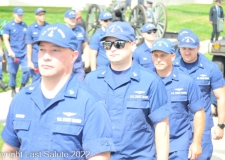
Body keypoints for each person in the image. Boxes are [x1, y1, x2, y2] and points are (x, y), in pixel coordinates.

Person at [0, 23, 115, 160]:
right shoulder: (22, 98)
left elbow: (99, 157)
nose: (46, 56)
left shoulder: (90, 104)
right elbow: (9, 151)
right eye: (42, 49)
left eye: (55, 50)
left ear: (73, 56)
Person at [85, 21, 171, 160]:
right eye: (107, 45)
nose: (112, 49)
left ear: (133, 45)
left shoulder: (150, 81)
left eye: (118, 44)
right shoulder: (91, 81)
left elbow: (162, 127)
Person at [151, 38, 205, 160]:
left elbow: (199, 112)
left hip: (178, 144)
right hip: (151, 145)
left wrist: (196, 143)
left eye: (163, 55)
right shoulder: (145, 81)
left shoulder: (186, 81)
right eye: (155, 55)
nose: (158, 59)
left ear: (173, 56)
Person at [174, 32, 225, 159]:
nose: (186, 52)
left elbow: (221, 97)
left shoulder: (210, 68)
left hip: (202, 128)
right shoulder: (171, 66)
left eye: (190, 49)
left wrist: (220, 125)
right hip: (177, 126)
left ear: (198, 48)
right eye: (183, 48)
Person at [3, 7, 29, 97]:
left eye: (21, 15)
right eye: (19, 15)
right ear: (14, 14)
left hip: (24, 52)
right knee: (13, 72)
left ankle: (22, 86)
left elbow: (26, 39)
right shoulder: (8, 26)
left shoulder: (24, 25)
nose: (20, 16)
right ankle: (13, 89)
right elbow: (5, 39)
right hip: (13, 54)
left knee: (27, 70)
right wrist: (9, 50)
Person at [64, 9, 89, 81]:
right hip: (65, 65)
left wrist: (87, 60)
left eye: (74, 18)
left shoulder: (81, 30)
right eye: (71, 18)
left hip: (78, 65)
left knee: (80, 85)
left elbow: (85, 46)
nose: (73, 20)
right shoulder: (62, 30)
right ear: (65, 19)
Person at [26, 8, 49, 83]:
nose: (42, 16)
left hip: (47, 57)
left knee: (47, 79)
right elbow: (29, 45)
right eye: (40, 15)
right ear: (36, 16)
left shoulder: (49, 27)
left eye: (43, 14)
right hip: (36, 59)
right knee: (36, 80)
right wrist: (29, 61)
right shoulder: (31, 29)